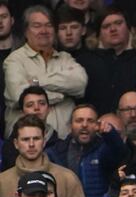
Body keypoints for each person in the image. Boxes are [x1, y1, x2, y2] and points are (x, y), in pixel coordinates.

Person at [3, 5, 88, 138]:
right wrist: (61, 95)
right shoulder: (14, 60)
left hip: (63, 142)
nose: (44, 30)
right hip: (27, 143)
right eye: (37, 26)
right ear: (26, 31)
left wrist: (37, 82)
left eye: (48, 25)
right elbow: (19, 96)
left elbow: (80, 84)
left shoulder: (65, 58)